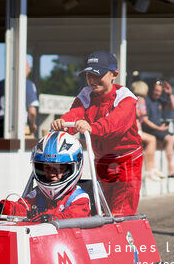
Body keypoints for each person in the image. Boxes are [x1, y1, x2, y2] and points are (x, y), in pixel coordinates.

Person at [50, 50, 142, 216]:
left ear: (114, 74)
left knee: (121, 211)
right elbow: (75, 113)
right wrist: (63, 122)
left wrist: (92, 128)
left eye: (97, 75)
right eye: (88, 75)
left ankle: (120, 238)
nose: (92, 80)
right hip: (101, 159)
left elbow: (115, 123)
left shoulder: (125, 98)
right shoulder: (85, 96)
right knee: (101, 206)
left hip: (126, 160)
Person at [0, 131, 91, 220]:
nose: (52, 173)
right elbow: (21, 208)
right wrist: (2, 207)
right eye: (47, 168)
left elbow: (73, 217)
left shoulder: (79, 198)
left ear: (72, 169)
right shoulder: (37, 194)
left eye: (58, 168)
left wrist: (51, 218)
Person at [141, 79, 174, 178]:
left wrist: (170, 94)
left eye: (159, 91)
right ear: (151, 89)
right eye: (156, 90)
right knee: (170, 140)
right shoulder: (145, 100)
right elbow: (144, 120)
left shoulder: (159, 101)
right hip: (151, 130)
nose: (157, 93)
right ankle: (171, 170)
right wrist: (158, 128)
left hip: (160, 129)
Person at [0, 58, 38, 137]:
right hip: (18, 126)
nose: (29, 71)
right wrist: (32, 126)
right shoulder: (28, 85)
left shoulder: (1, 84)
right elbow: (32, 112)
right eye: (28, 67)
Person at [131, 80, 161, 180]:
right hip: (136, 130)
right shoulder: (141, 100)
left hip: (131, 130)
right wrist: (158, 128)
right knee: (152, 139)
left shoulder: (131, 98)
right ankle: (150, 168)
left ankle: (151, 168)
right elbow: (143, 117)